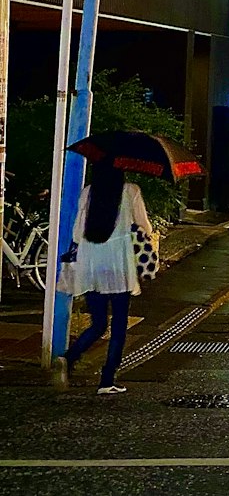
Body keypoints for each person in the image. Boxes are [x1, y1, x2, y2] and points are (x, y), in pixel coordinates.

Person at [51, 162, 152, 395]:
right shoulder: (131, 191)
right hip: (119, 266)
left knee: (98, 323)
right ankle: (107, 380)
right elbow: (144, 225)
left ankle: (69, 358)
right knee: (118, 325)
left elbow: (77, 232)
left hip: (91, 265)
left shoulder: (88, 192)